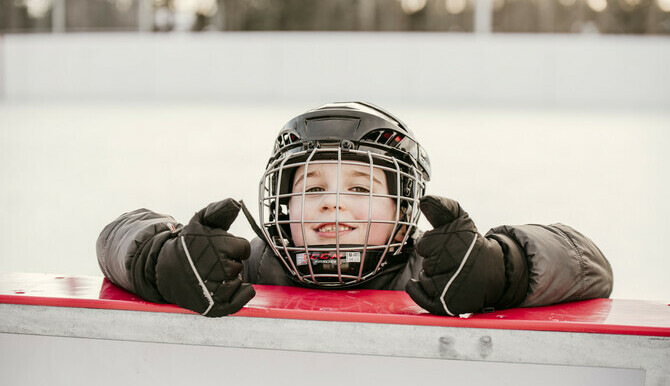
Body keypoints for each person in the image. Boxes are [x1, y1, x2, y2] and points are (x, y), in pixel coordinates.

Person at [96, 102, 613, 318]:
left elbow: (590, 264)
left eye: (362, 188)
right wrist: (162, 262)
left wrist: (503, 268)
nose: (334, 200)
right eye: (313, 187)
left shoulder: (441, 271)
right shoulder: (241, 267)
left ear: (403, 207)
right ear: (282, 204)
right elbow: (116, 233)